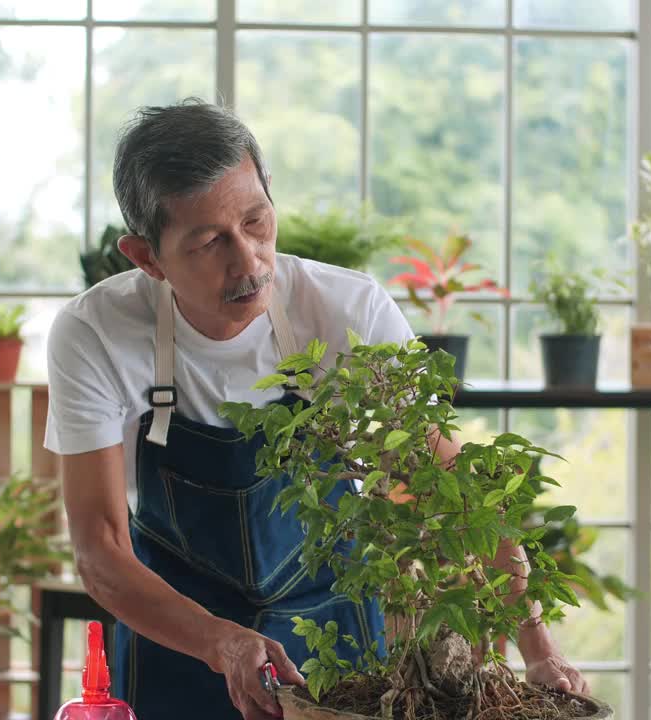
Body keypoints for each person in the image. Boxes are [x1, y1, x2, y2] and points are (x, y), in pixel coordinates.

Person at [44, 98, 589, 720]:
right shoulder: (96, 332)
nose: (247, 260)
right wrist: (220, 641)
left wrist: (536, 644)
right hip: (179, 636)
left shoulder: (345, 312)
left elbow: (449, 490)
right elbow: (101, 549)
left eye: (256, 222)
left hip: (334, 633)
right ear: (146, 257)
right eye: (209, 242)